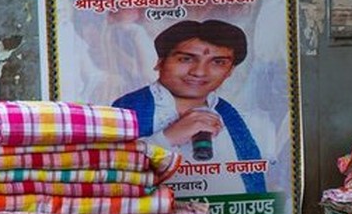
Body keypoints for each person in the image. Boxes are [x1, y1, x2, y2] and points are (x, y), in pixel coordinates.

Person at [113, 19, 267, 194]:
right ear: (160, 62)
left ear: (230, 70)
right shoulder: (126, 109)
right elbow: (102, 171)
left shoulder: (234, 118)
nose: (199, 72)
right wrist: (167, 138)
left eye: (218, 62)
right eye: (186, 59)